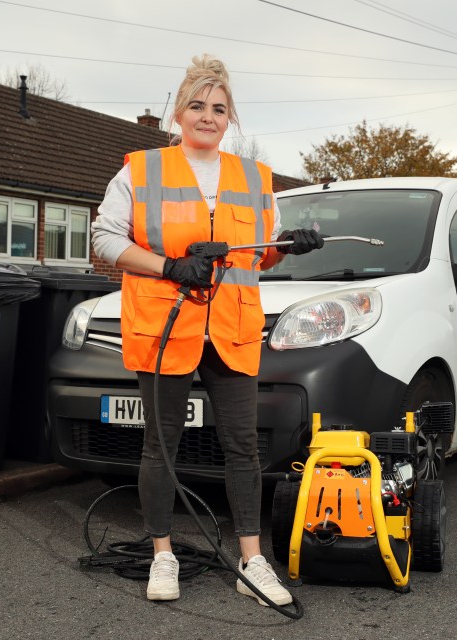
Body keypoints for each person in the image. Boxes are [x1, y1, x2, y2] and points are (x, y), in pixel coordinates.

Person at [90, 54, 323, 605]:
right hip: (167, 325)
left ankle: (253, 560)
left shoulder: (252, 177)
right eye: (197, 105)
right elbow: (103, 240)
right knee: (161, 445)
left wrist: (288, 246)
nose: (207, 116)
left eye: (219, 108)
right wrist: (169, 266)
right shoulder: (141, 171)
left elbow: (258, 255)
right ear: (178, 111)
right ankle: (163, 555)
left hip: (232, 327)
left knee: (242, 446)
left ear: (230, 118)